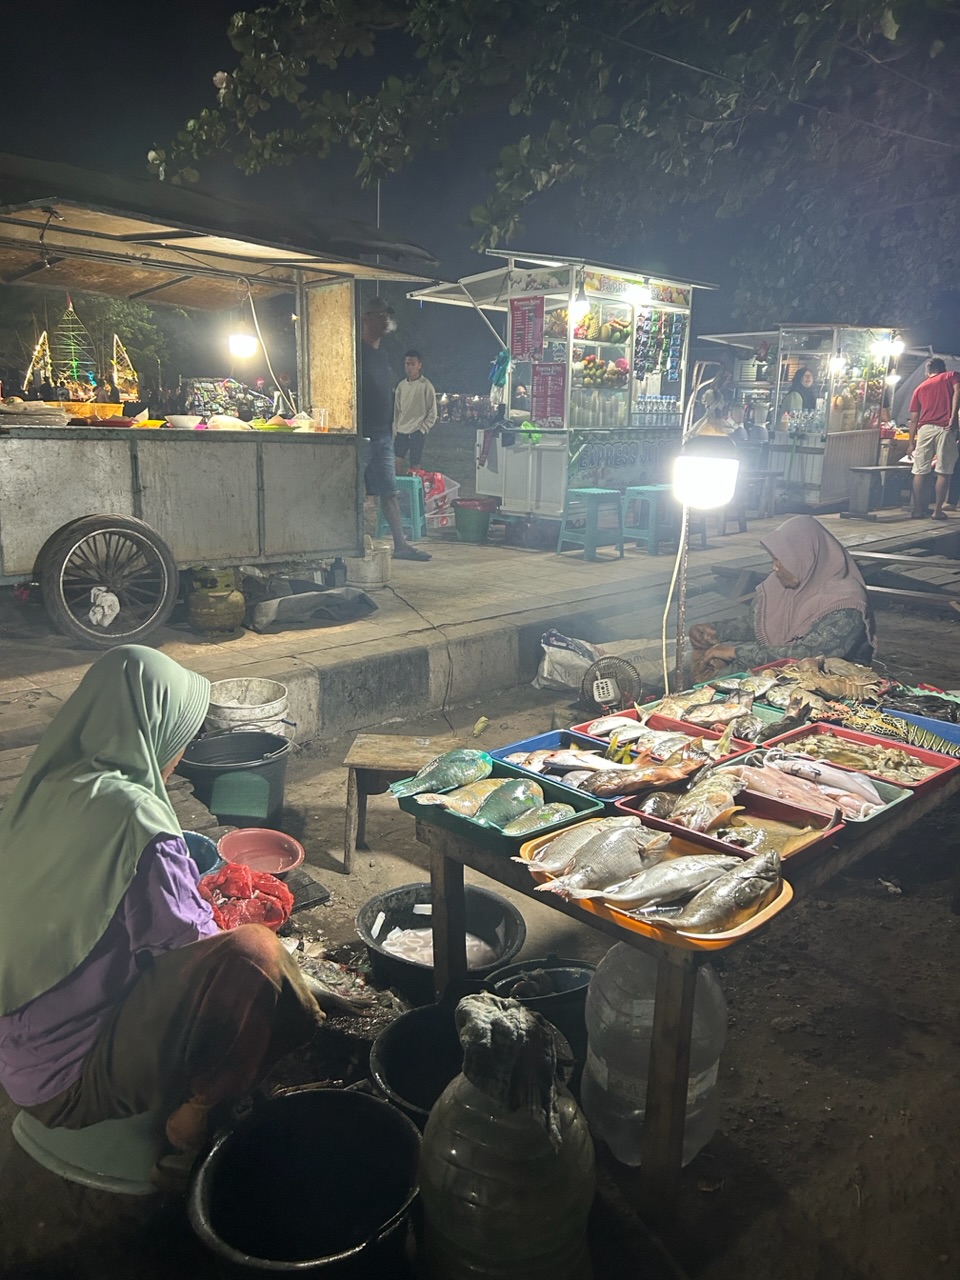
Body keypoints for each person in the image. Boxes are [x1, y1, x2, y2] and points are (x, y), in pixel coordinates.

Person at [0, 646, 328, 1190]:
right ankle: (192, 1119)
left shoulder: (48, 785)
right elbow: (191, 947)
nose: (176, 753)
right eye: (179, 736)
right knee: (257, 958)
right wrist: (291, 972)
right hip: (69, 1083)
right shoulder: (132, 815)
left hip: (22, 1055)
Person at [690, 515, 876, 676]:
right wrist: (717, 630)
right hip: (775, 672)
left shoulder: (846, 604)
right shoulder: (779, 586)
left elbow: (803, 655)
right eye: (773, 559)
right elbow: (761, 625)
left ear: (805, 558)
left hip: (827, 684)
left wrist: (734, 652)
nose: (774, 567)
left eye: (780, 560)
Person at [360, 297, 431, 561]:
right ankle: (349, 545)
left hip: (382, 434)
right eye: (381, 315)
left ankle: (400, 545)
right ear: (367, 319)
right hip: (360, 434)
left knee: (389, 490)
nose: (386, 320)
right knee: (353, 491)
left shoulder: (382, 353)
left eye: (387, 315)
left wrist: (392, 427)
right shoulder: (358, 352)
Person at [908, 358, 960, 520]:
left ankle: (917, 510)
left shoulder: (920, 387)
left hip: (924, 429)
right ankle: (937, 511)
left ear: (927, 372)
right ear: (942, 369)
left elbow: (914, 418)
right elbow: (958, 392)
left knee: (920, 470)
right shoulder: (951, 375)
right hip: (945, 428)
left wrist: (911, 443)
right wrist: (952, 418)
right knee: (944, 470)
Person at [393, 349, 438, 471]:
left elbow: (432, 412)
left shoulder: (426, 385)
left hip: (417, 430)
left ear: (419, 365)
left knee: (415, 462)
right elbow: (397, 411)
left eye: (413, 364)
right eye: (407, 364)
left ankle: (414, 486)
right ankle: (397, 486)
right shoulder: (401, 386)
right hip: (402, 430)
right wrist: (395, 428)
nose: (409, 367)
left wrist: (423, 429)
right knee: (397, 459)